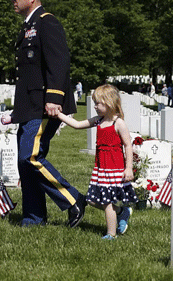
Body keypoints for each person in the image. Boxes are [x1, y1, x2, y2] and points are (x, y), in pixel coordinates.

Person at [1, 0, 86, 228]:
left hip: (44, 106)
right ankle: (34, 218)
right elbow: (27, 73)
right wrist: (17, 112)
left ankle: (73, 199)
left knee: (31, 157)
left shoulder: (47, 22)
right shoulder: (28, 26)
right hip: (29, 106)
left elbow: (59, 62)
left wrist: (54, 98)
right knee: (24, 163)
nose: (13, 0)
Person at [57, 84, 136, 240]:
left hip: (114, 168)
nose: (95, 106)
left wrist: (129, 168)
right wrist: (58, 115)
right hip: (101, 168)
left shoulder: (118, 123)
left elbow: (128, 145)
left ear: (110, 102)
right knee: (91, 200)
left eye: (98, 103)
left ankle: (111, 234)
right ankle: (122, 212)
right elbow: (77, 124)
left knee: (107, 202)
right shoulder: (98, 121)